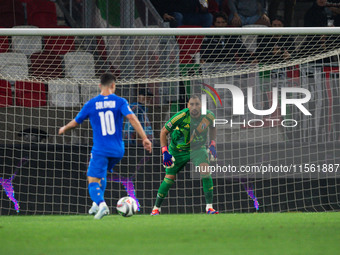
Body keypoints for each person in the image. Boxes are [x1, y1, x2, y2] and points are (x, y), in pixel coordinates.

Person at [58, 73, 152, 219]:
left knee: (92, 179)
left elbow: (76, 123)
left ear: (99, 86)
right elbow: (132, 118)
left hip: (101, 149)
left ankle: (102, 205)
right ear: (113, 85)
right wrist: (145, 138)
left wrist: (64, 128)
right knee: (102, 174)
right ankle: (96, 205)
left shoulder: (91, 103)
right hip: (118, 149)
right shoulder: (120, 101)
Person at [151, 95, 219, 215]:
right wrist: (165, 152)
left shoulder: (209, 116)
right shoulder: (181, 116)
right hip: (177, 150)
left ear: (201, 106)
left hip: (197, 149)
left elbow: (213, 127)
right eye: (191, 104)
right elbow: (163, 131)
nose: (194, 107)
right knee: (169, 178)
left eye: (197, 104)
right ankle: (156, 208)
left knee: (206, 172)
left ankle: (209, 207)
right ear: (187, 106)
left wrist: (212, 143)